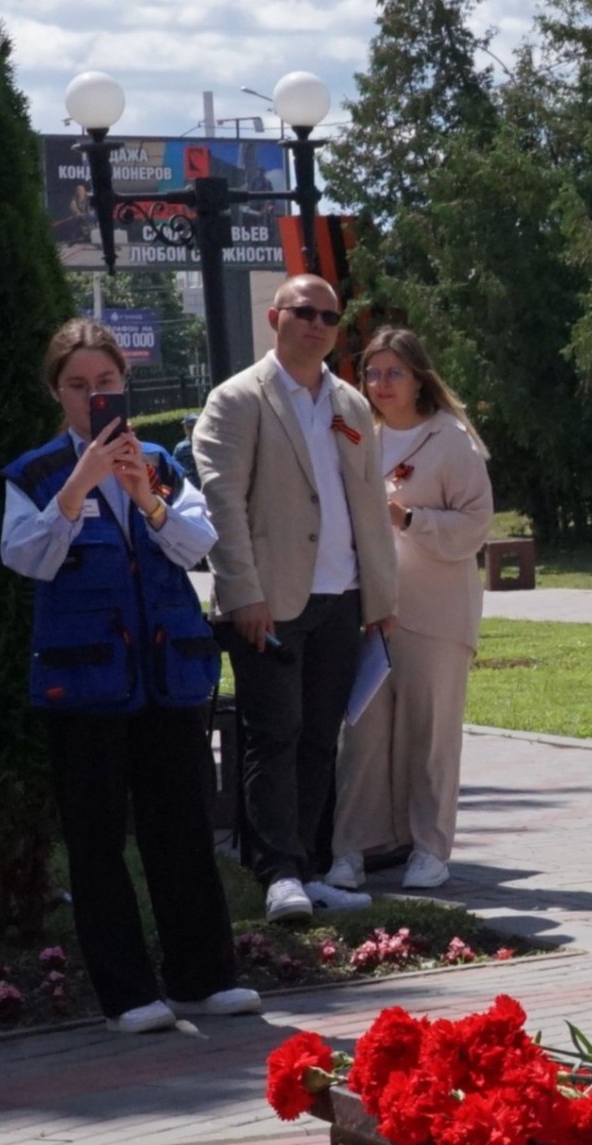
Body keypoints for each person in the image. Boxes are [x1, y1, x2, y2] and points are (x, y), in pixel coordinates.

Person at [0, 320, 255, 1035]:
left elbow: (198, 545)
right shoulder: (38, 473)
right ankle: (127, 993)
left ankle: (204, 978)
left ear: (125, 386)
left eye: (105, 384)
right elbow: (25, 557)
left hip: (165, 675)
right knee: (96, 836)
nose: (93, 398)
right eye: (78, 386)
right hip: (84, 684)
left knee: (181, 827)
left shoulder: (164, 464)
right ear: (58, 393)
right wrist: (77, 487)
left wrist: (146, 496)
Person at [197, 275, 398, 921]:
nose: (318, 325)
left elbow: (367, 502)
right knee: (274, 735)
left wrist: (379, 598)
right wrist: (242, 593)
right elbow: (222, 505)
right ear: (276, 317)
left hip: (343, 595)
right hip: (270, 600)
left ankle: (306, 868)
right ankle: (277, 873)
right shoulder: (237, 399)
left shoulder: (350, 403)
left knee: (319, 738)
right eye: (305, 312)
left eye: (330, 317)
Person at [326, 329, 494, 893]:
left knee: (430, 733)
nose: (381, 385)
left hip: (437, 614)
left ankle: (430, 847)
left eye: (394, 373)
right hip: (372, 608)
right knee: (363, 736)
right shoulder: (358, 436)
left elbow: (475, 525)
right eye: (372, 374)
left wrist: (411, 520)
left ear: (419, 376)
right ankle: (351, 848)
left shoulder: (451, 441)